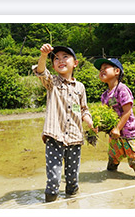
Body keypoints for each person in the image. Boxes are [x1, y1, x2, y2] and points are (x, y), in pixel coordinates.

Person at [33, 44, 94, 202]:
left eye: (65, 57)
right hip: (54, 136)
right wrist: (44, 55)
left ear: (75, 63)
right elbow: (40, 71)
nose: (60, 60)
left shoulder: (80, 87)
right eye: (56, 58)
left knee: (72, 180)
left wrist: (89, 120)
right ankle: (51, 202)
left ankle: (73, 205)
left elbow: (83, 109)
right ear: (53, 65)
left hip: (74, 137)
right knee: (53, 179)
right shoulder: (51, 82)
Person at [95, 58, 135, 180]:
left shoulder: (122, 89)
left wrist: (118, 128)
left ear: (117, 71)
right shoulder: (104, 95)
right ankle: (111, 176)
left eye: (105, 68)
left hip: (128, 135)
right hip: (114, 136)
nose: (101, 71)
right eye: (100, 70)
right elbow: (106, 116)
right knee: (112, 162)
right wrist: (99, 126)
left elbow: (127, 111)